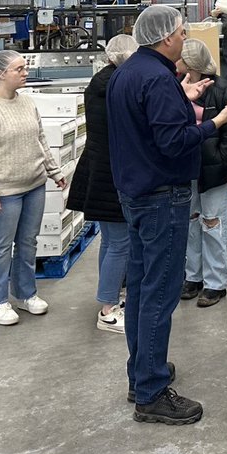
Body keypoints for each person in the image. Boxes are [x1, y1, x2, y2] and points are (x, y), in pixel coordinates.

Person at [107, 5, 227, 426]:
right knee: (160, 294)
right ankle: (150, 393)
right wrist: (218, 121)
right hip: (161, 196)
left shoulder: (128, 73)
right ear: (166, 37)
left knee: (142, 287)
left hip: (134, 192)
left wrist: (182, 102)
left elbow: (146, 125)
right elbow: (174, 142)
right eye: (183, 33)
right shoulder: (156, 78)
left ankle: (141, 373)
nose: (186, 39)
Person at [0, 50, 67, 326]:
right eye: (19, 69)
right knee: (0, 247)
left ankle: (26, 293)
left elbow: (41, 142)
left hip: (34, 186)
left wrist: (54, 172)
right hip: (3, 192)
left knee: (27, 243)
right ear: (0, 75)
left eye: (24, 68)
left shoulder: (27, 104)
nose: (25, 73)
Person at [67, 34, 139, 333]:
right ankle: (108, 311)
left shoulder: (103, 79)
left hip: (100, 169)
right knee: (119, 244)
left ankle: (112, 297)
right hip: (110, 174)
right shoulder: (114, 84)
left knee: (111, 242)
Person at [177, 39, 227, 308]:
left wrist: (220, 162)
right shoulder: (179, 87)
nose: (177, 63)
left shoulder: (223, 88)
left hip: (215, 170)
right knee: (192, 222)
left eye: (181, 59)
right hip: (187, 168)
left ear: (192, 63)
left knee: (213, 223)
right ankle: (194, 276)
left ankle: (216, 282)